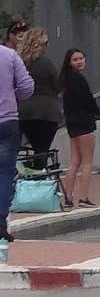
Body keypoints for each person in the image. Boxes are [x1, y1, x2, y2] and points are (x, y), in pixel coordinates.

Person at [0, 31, 35, 242]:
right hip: (7, 120)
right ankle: (0, 220)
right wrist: (13, 97)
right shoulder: (9, 55)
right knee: (5, 173)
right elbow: (27, 87)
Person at [58, 48, 100, 209]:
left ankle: (68, 198)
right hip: (84, 122)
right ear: (69, 62)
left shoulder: (66, 79)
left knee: (74, 160)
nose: (80, 61)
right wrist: (96, 112)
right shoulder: (79, 79)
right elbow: (87, 100)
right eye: (75, 59)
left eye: (81, 58)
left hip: (72, 123)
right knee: (87, 161)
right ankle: (84, 197)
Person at [17, 28, 62, 172]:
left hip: (24, 111)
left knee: (35, 146)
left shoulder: (19, 62)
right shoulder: (46, 63)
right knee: (42, 149)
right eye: (46, 43)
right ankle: (38, 175)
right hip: (47, 112)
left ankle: (32, 171)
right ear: (39, 44)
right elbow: (58, 85)